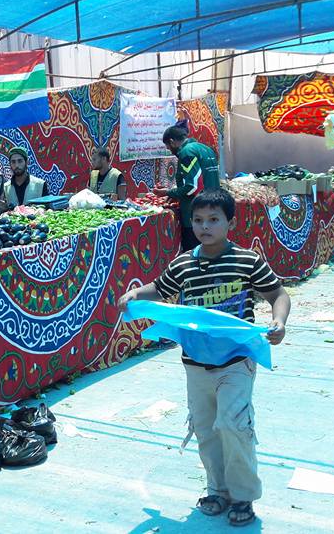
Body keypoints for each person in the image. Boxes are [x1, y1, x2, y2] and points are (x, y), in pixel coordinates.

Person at [117, 189, 291, 528]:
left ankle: (243, 496)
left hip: (236, 361)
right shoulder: (183, 264)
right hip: (195, 364)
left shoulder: (247, 260)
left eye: (213, 220)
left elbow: (278, 294)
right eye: (198, 220)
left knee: (233, 425)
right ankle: (217, 490)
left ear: (230, 223)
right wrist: (136, 292)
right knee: (206, 429)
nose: (204, 227)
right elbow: (160, 288)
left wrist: (279, 321)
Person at [156, 125, 221, 252]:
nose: (170, 151)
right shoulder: (205, 149)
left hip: (197, 214)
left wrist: (168, 192)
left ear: (172, 141)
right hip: (214, 208)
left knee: (195, 253)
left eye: (168, 147)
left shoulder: (186, 153)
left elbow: (192, 187)